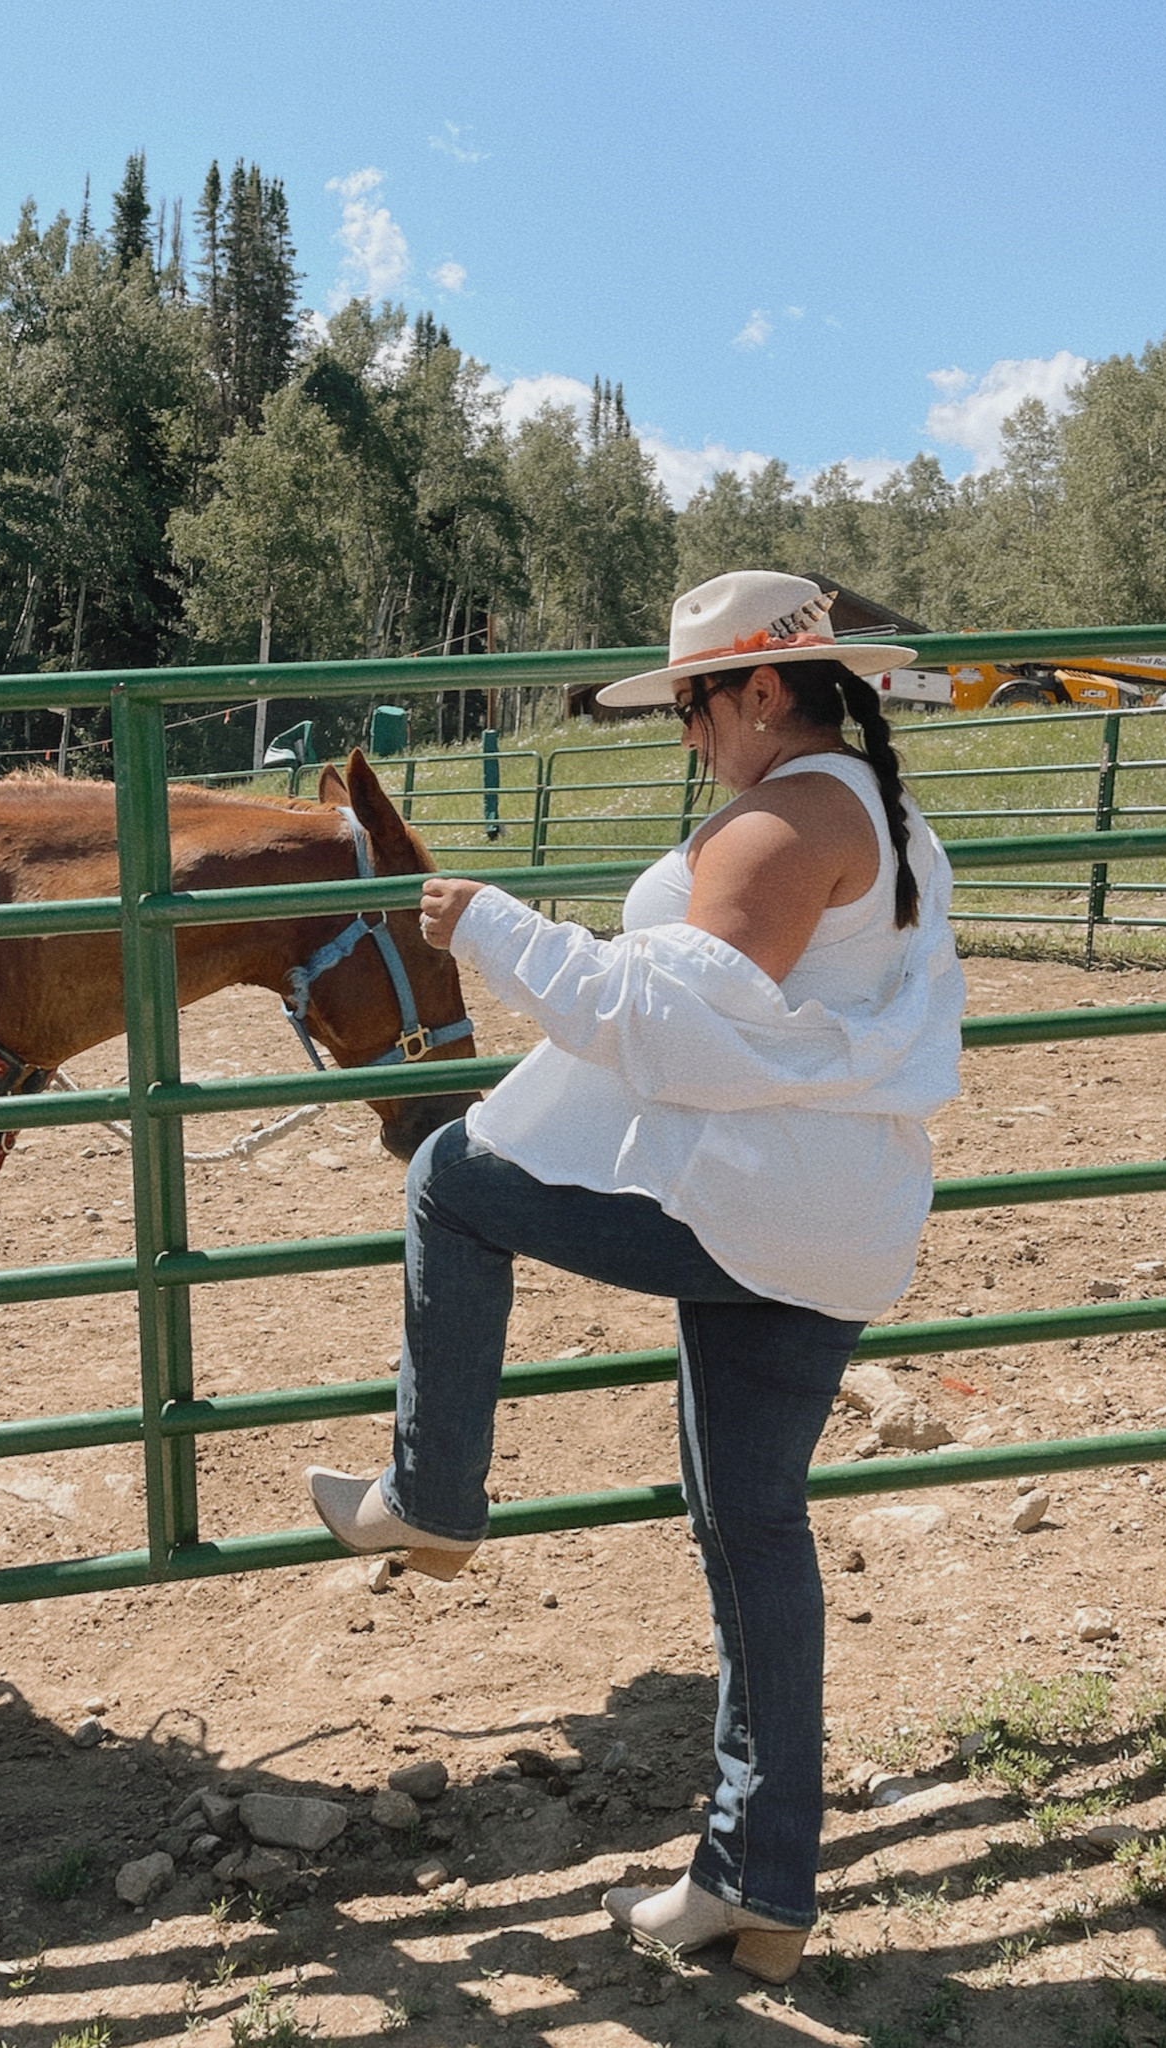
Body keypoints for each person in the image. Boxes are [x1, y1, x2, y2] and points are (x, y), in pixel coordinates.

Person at [308, 570, 965, 1982]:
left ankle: (431, 1490)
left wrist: (489, 925)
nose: (687, 730)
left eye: (693, 702)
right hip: (823, 1215)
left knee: (451, 1181)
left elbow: (670, 1030)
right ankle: (754, 1889)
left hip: (755, 1205)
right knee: (753, 1527)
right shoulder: (875, 815)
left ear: (764, 690)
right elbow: (744, 1025)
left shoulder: (791, 816)